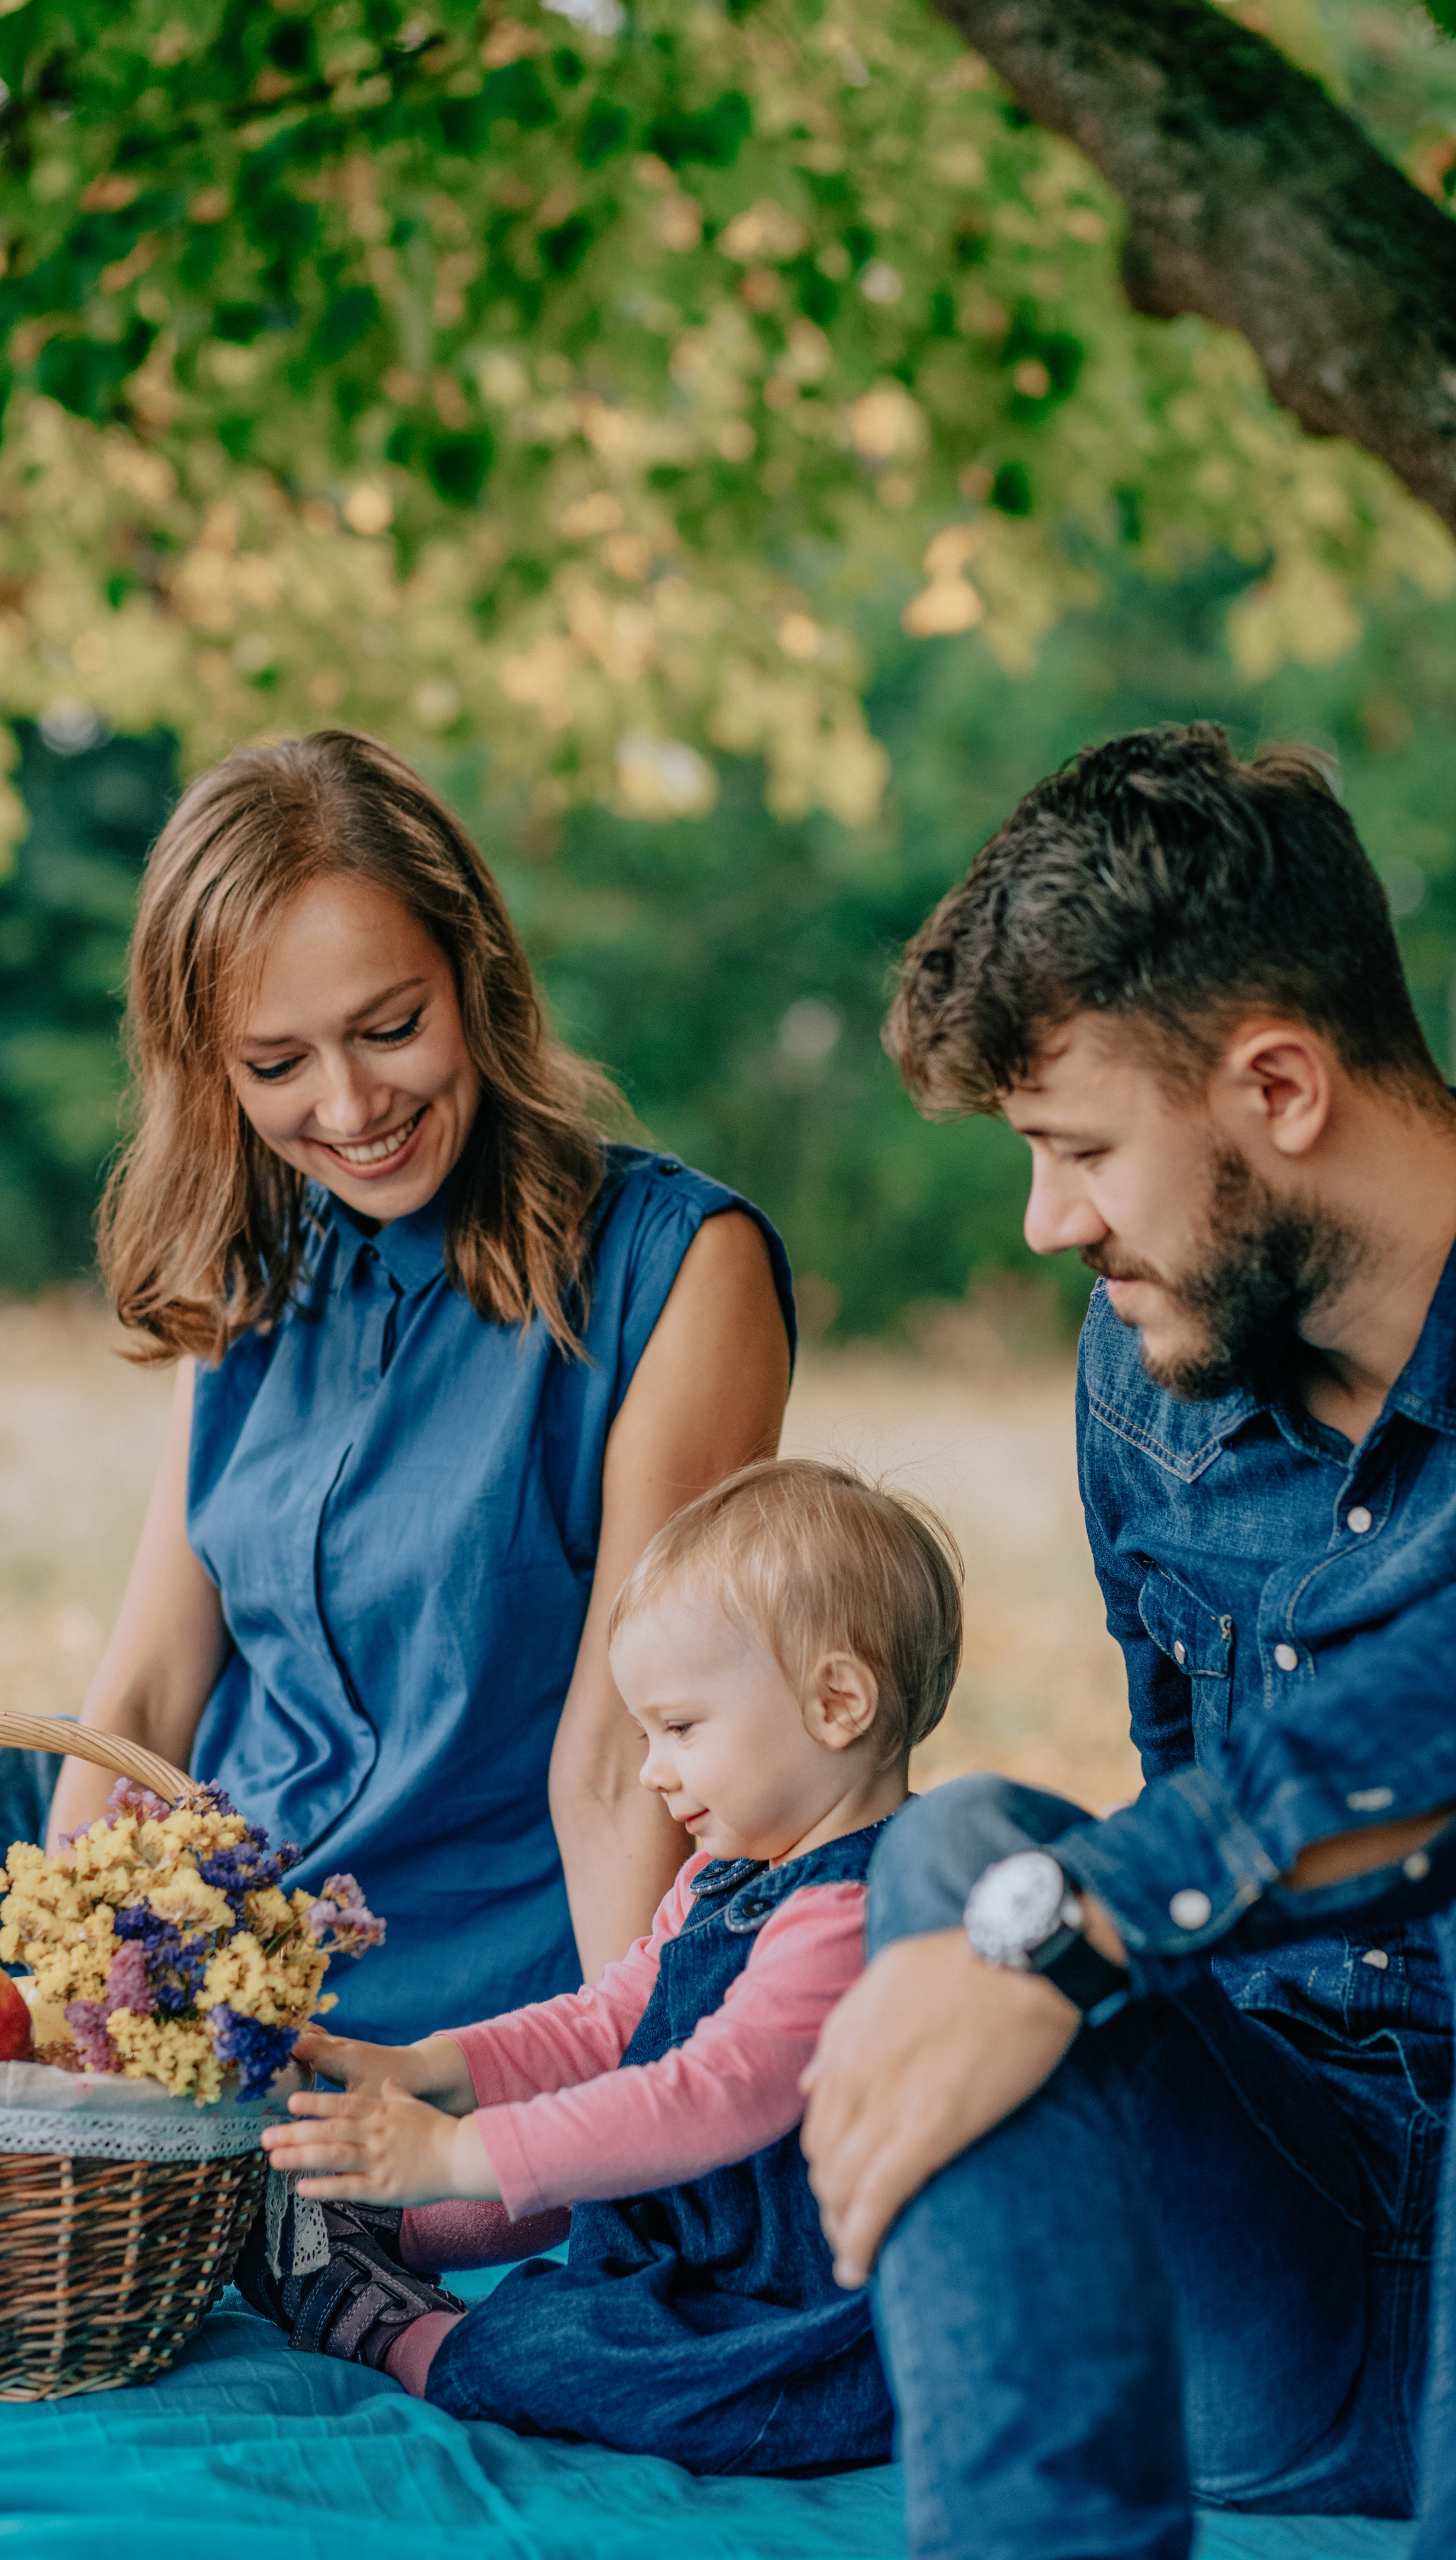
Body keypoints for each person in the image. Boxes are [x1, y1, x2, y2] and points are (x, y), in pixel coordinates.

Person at [0, 731, 793, 2031]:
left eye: (390, 1027)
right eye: (276, 1064)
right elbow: (141, 1698)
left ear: (474, 973)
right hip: (180, 1891)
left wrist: (624, 2118)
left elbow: (615, 1766)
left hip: (429, 1973)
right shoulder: (255, 1269)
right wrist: (61, 2019)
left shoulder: (681, 1271)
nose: (350, 1105)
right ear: (210, 1067)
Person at [801, 723, 1456, 2560]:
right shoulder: (1147, 1367)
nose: (1047, 1222)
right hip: (1270, 2248)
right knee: (956, 1855)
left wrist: (1080, 1923)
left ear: (1280, 1084)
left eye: (1082, 1149)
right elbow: (1196, 1788)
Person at [235, 1458, 963, 2477]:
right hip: (698, 2232)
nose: (654, 1767)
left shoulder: (856, 1911)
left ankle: (401, 2331)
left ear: (837, 1702)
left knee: (582, 2358)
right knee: (582, 2184)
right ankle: (382, 2225)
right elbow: (607, 2020)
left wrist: (460, 2152)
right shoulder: (726, 1877)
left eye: (681, 1727)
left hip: (801, 2307)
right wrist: (433, 2068)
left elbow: (708, 2101)